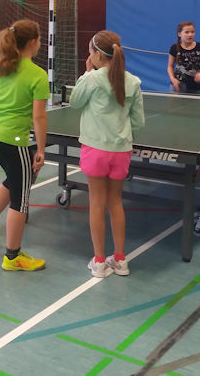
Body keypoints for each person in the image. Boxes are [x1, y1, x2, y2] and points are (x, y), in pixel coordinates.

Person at [0, 19, 50, 271]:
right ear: (33, 42)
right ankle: (12, 257)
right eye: (40, 39)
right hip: (13, 140)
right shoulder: (38, 75)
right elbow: (39, 116)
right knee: (21, 196)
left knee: (15, 177)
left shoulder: (0, 68)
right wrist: (40, 149)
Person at [70, 30, 145, 278]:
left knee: (96, 203)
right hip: (121, 151)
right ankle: (120, 260)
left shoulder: (92, 79)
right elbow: (138, 122)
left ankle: (100, 262)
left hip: (95, 150)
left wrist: (86, 73)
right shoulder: (133, 82)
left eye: (90, 52)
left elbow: (75, 102)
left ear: (97, 55)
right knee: (115, 202)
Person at [167, 21, 200, 94]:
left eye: (192, 32)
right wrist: (172, 78)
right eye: (186, 32)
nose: (190, 35)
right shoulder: (174, 48)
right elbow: (170, 66)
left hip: (195, 87)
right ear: (179, 34)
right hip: (177, 87)